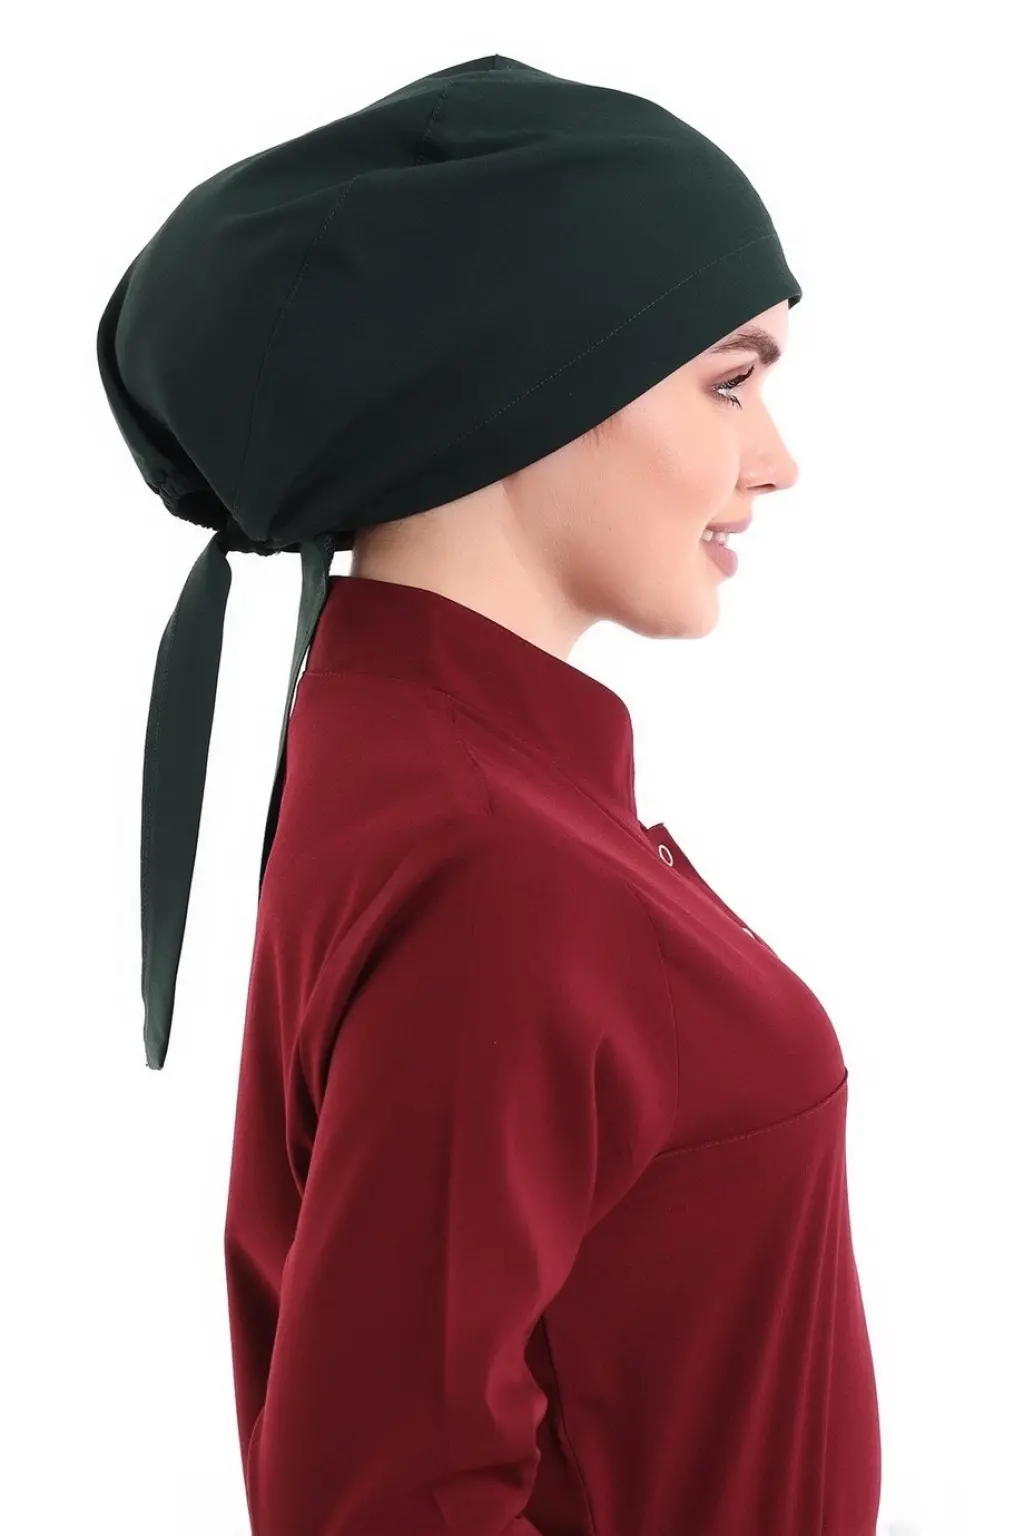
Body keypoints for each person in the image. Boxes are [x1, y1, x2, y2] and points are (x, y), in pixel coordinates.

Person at [349, 301, 797, 653]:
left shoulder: (390, 731)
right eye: (730, 384)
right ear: (523, 390)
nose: (781, 469)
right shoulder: (423, 746)